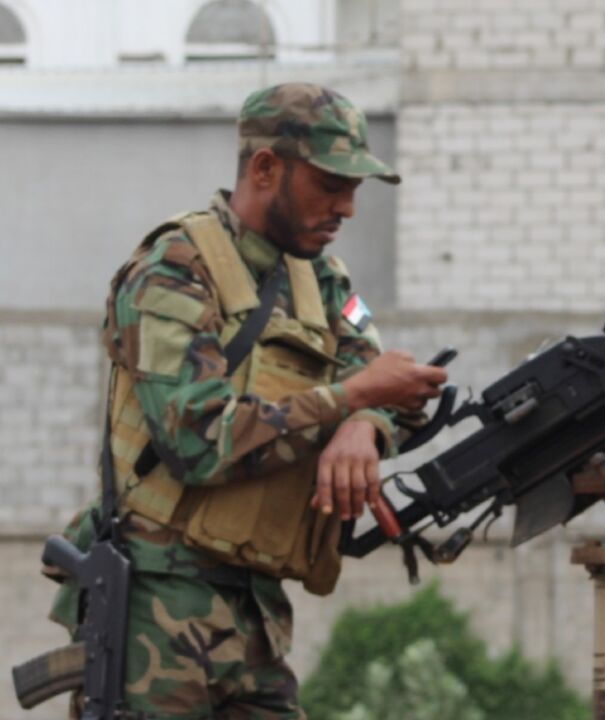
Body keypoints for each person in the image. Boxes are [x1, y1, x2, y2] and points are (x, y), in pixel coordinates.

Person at [45, 83, 445, 719]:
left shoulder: (322, 279)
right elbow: (196, 442)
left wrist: (362, 424)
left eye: (354, 189)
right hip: (158, 605)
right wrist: (351, 397)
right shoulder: (174, 269)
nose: (346, 207)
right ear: (265, 169)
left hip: (256, 613)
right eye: (330, 184)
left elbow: (388, 381)